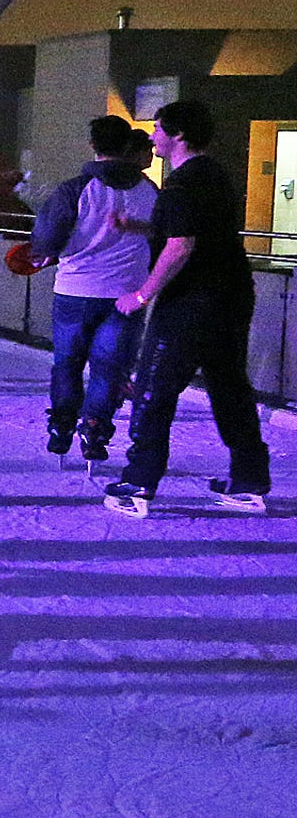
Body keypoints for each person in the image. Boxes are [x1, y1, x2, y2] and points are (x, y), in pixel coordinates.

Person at [108, 100, 271, 517]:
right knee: (229, 385)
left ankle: (138, 483)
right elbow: (195, 229)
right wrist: (140, 227)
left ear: (178, 135)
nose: (153, 137)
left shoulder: (181, 185)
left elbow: (181, 245)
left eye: (158, 129)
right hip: (231, 295)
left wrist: (141, 295)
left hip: (189, 302)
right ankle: (249, 479)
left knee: (153, 389)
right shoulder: (213, 174)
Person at [24, 116, 157, 468]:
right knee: (108, 368)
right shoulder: (149, 191)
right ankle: (95, 428)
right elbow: (161, 237)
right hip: (127, 293)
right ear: (127, 146)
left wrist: (46, 252)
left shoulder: (75, 189)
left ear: (93, 146)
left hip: (75, 290)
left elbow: (48, 238)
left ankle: (62, 424)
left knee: (67, 363)